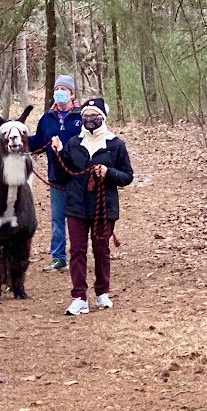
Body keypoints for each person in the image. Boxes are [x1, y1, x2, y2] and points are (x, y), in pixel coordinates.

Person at [50, 98, 133, 315]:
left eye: (93, 116)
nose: (89, 120)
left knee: (101, 250)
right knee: (77, 251)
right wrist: (57, 154)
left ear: (102, 118)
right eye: (85, 116)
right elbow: (63, 176)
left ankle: (102, 292)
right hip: (76, 206)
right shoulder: (73, 144)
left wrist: (109, 173)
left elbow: (127, 176)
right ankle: (79, 297)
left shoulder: (115, 145)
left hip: (104, 207)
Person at [28, 75, 82, 272]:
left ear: (71, 94)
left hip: (79, 176)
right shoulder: (47, 118)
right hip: (56, 176)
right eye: (56, 89)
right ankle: (58, 257)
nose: (59, 93)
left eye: (63, 89)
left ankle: (79, 254)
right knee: (57, 218)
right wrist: (19, 138)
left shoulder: (81, 117)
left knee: (79, 218)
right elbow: (38, 142)